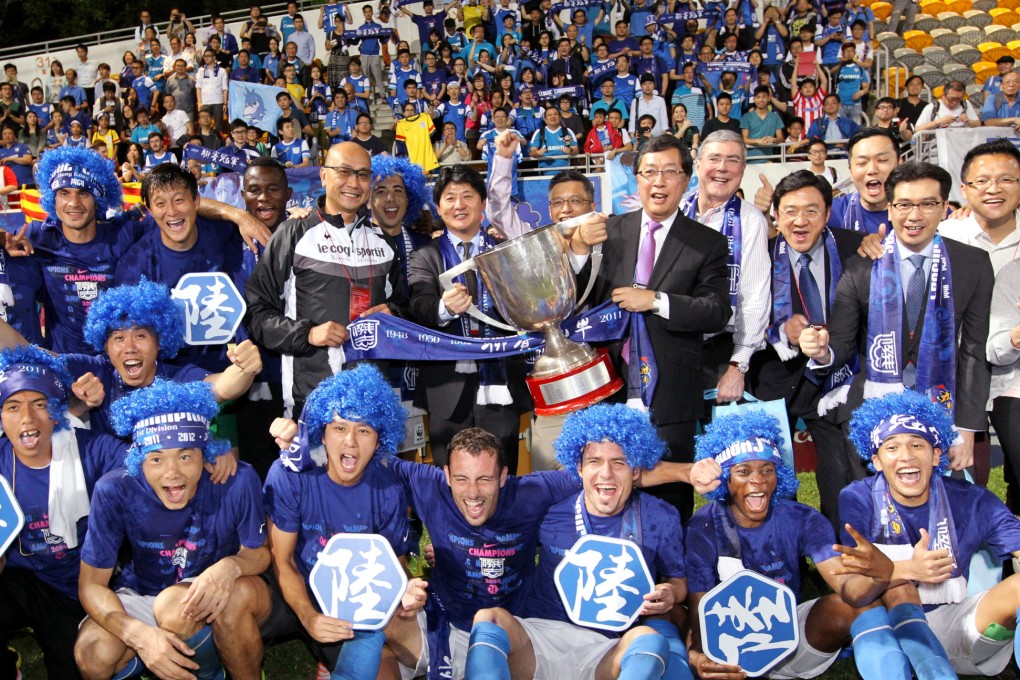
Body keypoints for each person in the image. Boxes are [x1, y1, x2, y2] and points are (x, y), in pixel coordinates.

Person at [571, 133, 731, 519]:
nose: (658, 182)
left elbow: (715, 311)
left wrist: (656, 301)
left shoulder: (707, 243)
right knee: (608, 488)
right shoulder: (609, 231)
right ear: (637, 178)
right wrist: (577, 251)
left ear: (686, 179)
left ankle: (673, 576)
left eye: (669, 172)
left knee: (672, 493)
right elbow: (577, 305)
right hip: (611, 383)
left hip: (672, 391)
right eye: (649, 172)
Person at [466, 404, 688, 680]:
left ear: (635, 471)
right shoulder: (548, 509)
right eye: (594, 461)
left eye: (619, 462)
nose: (605, 473)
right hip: (538, 638)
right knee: (489, 619)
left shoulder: (660, 516)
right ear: (579, 468)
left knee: (649, 640)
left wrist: (670, 593)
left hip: (606, 647)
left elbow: (678, 581)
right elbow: (501, 542)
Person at [799, 162, 994, 473]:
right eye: (904, 204)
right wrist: (822, 351)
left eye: (928, 204)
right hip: (873, 403)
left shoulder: (972, 263)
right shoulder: (862, 266)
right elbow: (842, 342)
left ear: (945, 207)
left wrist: (968, 427)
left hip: (944, 402)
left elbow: (974, 350)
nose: (914, 216)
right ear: (889, 209)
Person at [73, 380, 270, 680]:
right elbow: (91, 585)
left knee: (174, 609)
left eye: (185, 456)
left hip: (200, 592)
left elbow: (259, 553)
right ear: (139, 461)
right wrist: (137, 634)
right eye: (156, 459)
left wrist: (231, 566)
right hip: (139, 592)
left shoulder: (236, 479)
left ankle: (210, 672)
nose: (172, 472)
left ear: (205, 454)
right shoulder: (114, 489)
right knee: (92, 653)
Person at [686, 411, 897, 679]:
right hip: (729, 644)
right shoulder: (703, 526)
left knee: (864, 605)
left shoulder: (801, 518)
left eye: (767, 470)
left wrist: (879, 575)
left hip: (789, 638)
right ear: (725, 479)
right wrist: (697, 655)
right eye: (743, 471)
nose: (758, 480)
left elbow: (849, 589)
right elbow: (699, 606)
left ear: (778, 474)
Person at [840, 390, 1020, 677]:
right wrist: (910, 569)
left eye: (917, 445)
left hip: (953, 621)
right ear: (875, 461)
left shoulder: (972, 499)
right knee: (896, 591)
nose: (906, 456)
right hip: (886, 627)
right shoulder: (858, 498)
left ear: (936, 455)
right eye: (892, 447)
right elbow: (853, 587)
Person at [263, 364, 427, 678]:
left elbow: (395, 561)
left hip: (355, 598)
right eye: (339, 428)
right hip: (297, 588)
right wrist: (309, 617)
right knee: (242, 599)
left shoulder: (388, 486)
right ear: (321, 433)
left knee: (385, 669)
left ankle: (336, 660)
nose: (350, 441)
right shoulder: (290, 474)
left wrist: (406, 589)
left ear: (380, 439)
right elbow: (282, 561)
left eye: (364, 430)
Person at [246, 142, 406, 417]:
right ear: (323, 176)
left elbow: (405, 308)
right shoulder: (293, 233)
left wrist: (394, 313)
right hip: (312, 403)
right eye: (344, 172)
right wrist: (307, 333)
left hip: (372, 404)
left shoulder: (384, 242)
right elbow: (255, 313)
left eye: (363, 174)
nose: (354, 183)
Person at [748, 170, 866, 527]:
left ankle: (844, 554)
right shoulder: (759, 255)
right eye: (790, 211)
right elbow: (739, 317)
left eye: (812, 211)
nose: (800, 221)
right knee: (772, 486)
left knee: (843, 478)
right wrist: (782, 330)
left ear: (828, 213)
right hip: (772, 382)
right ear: (777, 216)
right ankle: (785, 562)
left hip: (838, 380)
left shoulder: (856, 248)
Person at [0, 346, 126, 680]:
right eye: (13, 407)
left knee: (77, 668)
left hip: (81, 582)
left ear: (57, 411)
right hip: (24, 580)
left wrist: (213, 453)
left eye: (39, 404)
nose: (27, 418)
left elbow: (152, 466)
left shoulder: (90, 449)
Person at [406, 164, 532, 471]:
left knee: (499, 477)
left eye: (467, 196)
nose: (459, 205)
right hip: (446, 388)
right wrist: (444, 307)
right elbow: (419, 302)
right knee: (449, 478)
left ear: (483, 203)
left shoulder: (505, 251)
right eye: (450, 198)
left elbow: (526, 308)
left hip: (500, 385)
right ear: (438, 207)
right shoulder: (425, 256)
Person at [940, 140, 1020, 487]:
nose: (994, 189)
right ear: (965, 188)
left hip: (1014, 384)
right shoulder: (941, 237)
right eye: (982, 180)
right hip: (955, 384)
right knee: (960, 493)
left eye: (1006, 180)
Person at [681, 131, 771, 412]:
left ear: (742, 170)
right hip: (676, 347)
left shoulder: (751, 220)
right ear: (698, 164)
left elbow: (755, 297)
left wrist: (737, 366)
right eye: (714, 158)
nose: (722, 167)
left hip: (724, 350)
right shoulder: (676, 211)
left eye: (732, 160)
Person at [740, 85, 786, 160]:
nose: (761, 100)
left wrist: (773, 139)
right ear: (754, 99)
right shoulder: (747, 117)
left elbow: (780, 138)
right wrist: (758, 141)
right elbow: (744, 139)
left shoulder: (775, 117)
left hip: (768, 158)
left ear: (768, 98)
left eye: (764, 97)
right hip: (750, 159)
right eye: (758, 97)